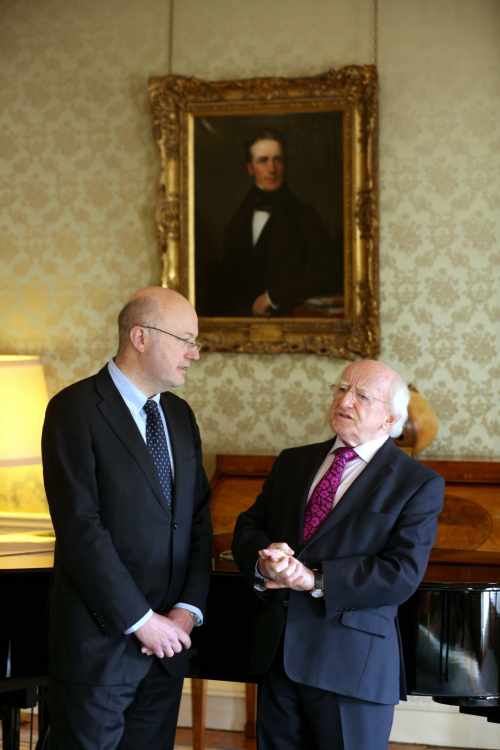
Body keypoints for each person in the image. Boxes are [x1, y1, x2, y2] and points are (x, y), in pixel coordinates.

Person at [232, 359, 445, 750]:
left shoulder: (417, 483)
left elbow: (401, 573)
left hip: (351, 666)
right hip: (278, 658)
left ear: (390, 419)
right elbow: (249, 528)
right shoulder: (293, 461)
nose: (345, 401)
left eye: (362, 395)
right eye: (341, 389)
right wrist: (264, 561)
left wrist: (315, 579)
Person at [41, 286, 213, 750]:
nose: (195, 353)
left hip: (168, 647)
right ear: (140, 337)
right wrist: (141, 621)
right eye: (185, 340)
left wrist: (187, 611)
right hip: (99, 648)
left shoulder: (179, 415)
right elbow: (80, 528)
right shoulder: (73, 410)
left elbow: (198, 521)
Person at [218, 129, 340, 317]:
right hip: (240, 322)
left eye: (278, 160)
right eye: (263, 160)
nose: (272, 169)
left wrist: (274, 297)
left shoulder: (305, 215)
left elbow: (325, 273)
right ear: (250, 168)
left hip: (289, 319)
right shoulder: (236, 219)